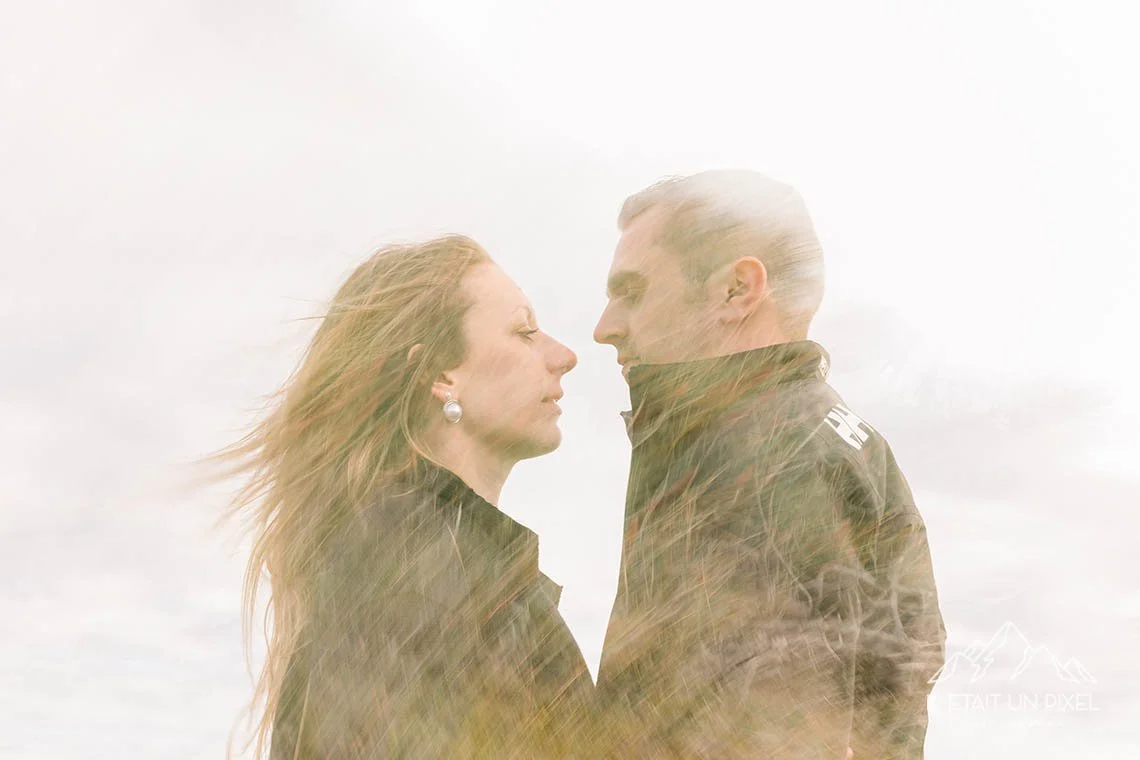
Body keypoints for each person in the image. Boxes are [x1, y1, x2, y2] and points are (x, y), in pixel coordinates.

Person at [592, 171, 946, 759]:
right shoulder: (833, 440)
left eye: (631, 291)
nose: (605, 328)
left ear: (737, 290)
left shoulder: (761, 458)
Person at [212, 235, 590, 759]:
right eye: (524, 332)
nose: (564, 355)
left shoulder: (455, 562)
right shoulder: (401, 560)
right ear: (441, 375)